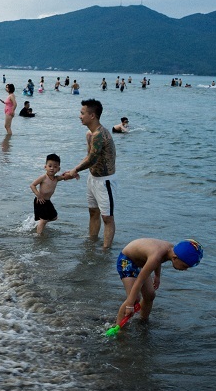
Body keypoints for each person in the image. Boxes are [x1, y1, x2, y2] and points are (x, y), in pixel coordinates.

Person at [60, 99, 116, 249]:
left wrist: (75, 171)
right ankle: (92, 244)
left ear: (92, 116)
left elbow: (92, 159)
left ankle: (105, 251)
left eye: (82, 113)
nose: (80, 116)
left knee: (107, 218)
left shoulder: (99, 134)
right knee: (93, 212)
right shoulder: (89, 134)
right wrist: (74, 169)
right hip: (92, 178)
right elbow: (88, 157)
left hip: (105, 181)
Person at [112, 238, 203, 328]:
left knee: (150, 295)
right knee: (134, 299)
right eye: (185, 266)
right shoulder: (157, 255)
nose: (185, 269)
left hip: (142, 262)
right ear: (175, 258)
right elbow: (140, 280)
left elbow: (159, 260)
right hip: (126, 261)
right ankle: (119, 327)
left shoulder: (170, 250)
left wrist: (157, 276)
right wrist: (130, 306)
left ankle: (143, 320)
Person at [29, 153, 77, 235]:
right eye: (50, 166)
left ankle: (40, 223)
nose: (52, 168)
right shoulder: (43, 177)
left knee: (54, 217)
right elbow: (32, 185)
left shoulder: (56, 178)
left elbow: (65, 176)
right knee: (44, 220)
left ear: (58, 169)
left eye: (55, 167)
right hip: (40, 201)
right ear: (45, 167)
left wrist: (74, 175)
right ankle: (38, 236)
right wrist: (38, 195)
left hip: (47, 201)